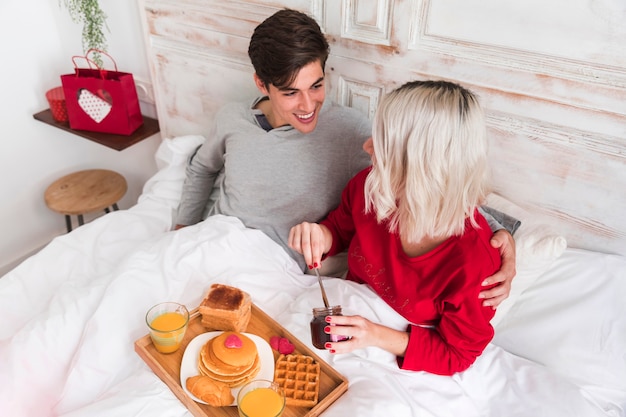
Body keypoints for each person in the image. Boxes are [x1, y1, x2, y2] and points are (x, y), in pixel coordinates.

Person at [174, 8, 516, 307]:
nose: (308, 106)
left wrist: (503, 233)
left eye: (316, 86)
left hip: (277, 270)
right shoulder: (232, 118)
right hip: (216, 241)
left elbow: (431, 178)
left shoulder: (354, 132)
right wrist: (180, 230)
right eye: (291, 93)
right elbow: (203, 168)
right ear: (262, 84)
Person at [288, 80, 502, 375]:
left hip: (404, 355)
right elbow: (339, 229)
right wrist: (317, 236)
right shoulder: (369, 186)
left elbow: (456, 355)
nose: (366, 146)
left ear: (420, 161)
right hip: (348, 316)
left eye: (383, 141)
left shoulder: (475, 262)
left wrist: (375, 334)